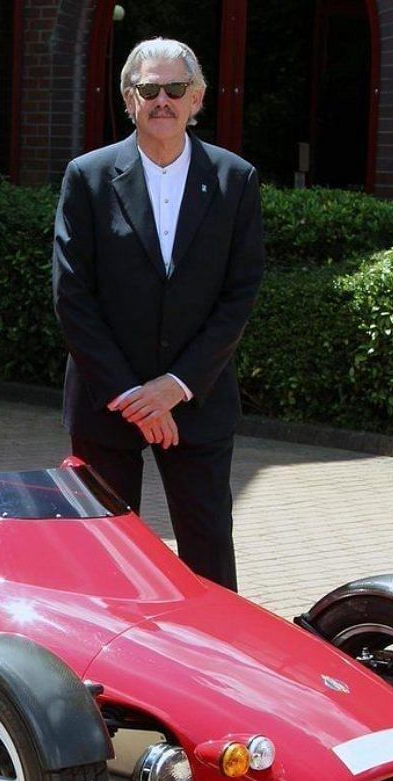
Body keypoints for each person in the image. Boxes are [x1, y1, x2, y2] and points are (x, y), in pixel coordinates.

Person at [52, 37, 265, 591]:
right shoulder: (88, 177)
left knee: (208, 552)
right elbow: (72, 295)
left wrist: (176, 385)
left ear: (198, 98)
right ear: (129, 98)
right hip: (107, 405)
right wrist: (133, 396)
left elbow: (239, 294)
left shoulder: (235, 179)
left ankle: (217, 664)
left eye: (176, 89)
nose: (162, 100)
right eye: (150, 89)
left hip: (198, 401)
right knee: (104, 552)